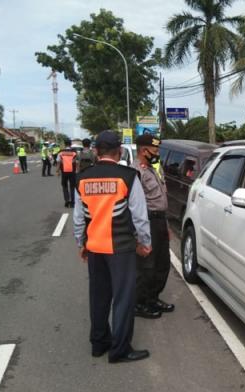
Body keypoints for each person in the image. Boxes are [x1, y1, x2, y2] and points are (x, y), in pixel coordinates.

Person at [73, 130, 152, 363]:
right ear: (119, 151)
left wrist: (81, 243)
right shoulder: (128, 176)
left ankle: (99, 344)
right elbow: (139, 215)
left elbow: (78, 218)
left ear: (96, 151)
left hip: (95, 247)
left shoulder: (83, 178)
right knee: (123, 299)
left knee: (98, 297)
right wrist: (145, 242)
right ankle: (119, 350)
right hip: (121, 248)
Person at [132, 134, 175, 319]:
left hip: (159, 221)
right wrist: (138, 235)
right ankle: (139, 303)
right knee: (146, 266)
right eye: (155, 151)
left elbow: (161, 198)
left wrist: (166, 225)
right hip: (146, 221)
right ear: (144, 151)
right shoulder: (136, 172)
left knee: (162, 263)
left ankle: (153, 297)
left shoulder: (154, 168)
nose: (157, 154)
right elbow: (134, 206)